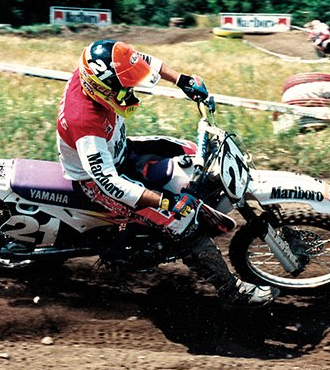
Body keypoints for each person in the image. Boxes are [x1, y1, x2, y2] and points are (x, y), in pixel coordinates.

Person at [56, 39, 279, 307]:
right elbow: (107, 181)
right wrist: (164, 202)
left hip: (120, 149)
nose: (132, 91)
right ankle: (232, 292)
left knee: (192, 152)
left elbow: (143, 61)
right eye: (126, 88)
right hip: (98, 180)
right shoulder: (85, 120)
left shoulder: (97, 71)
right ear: (104, 89)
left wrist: (182, 80)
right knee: (180, 220)